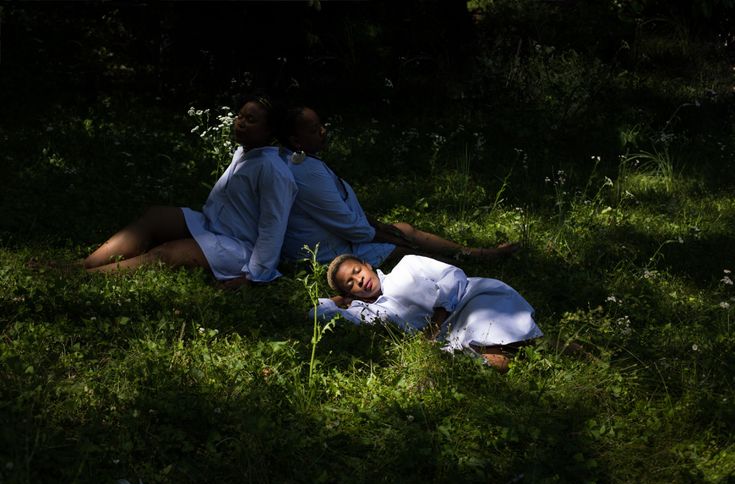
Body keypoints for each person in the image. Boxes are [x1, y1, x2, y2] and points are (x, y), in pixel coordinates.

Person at [83, 94, 298, 286]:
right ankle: (83, 264)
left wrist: (253, 276)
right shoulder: (245, 152)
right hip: (212, 224)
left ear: (270, 130)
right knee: (156, 216)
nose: (240, 123)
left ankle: (87, 277)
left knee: (165, 254)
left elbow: (273, 229)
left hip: (238, 248)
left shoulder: (274, 170)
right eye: (240, 116)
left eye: (251, 120)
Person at [276, 105, 519, 267]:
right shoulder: (304, 171)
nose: (323, 130)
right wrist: (389, 239)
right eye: (314, 129)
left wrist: (381, 226)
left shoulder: (306, 161)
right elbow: (347, 224)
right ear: (296, 140)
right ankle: (459, 265)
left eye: (321, 124)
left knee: (405, 229)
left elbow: (345, 206)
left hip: (343, 235)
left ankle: (473, 253)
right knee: (405, 251)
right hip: (328, 250)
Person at [314, 254, 543, 372]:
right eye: (350, 283)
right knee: (510, 352)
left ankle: (541, 350)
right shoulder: (367, 311)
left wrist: (436, 321)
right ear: (349, 293)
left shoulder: (408, 265)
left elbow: (453, 276)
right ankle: (540, 351)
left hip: (471, 303)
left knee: (498, 340)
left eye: (357, 271)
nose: (359, 280)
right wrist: (339, 300)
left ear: (367, 265)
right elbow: (317, 313)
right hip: (451, 338)